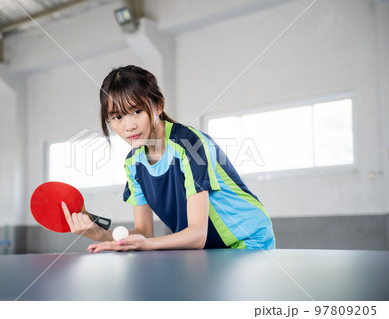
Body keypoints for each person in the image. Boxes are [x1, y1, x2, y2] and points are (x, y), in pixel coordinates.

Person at [61, 65, 275, 252]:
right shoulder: (133, 163)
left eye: (136, 111)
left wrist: (148, 245)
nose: (129, 126)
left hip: (248, 241)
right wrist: (100, 234)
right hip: (209, 248)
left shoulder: (190, 145)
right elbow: (144, 232)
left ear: (157, 106)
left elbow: (197, 235)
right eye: (117, 117)